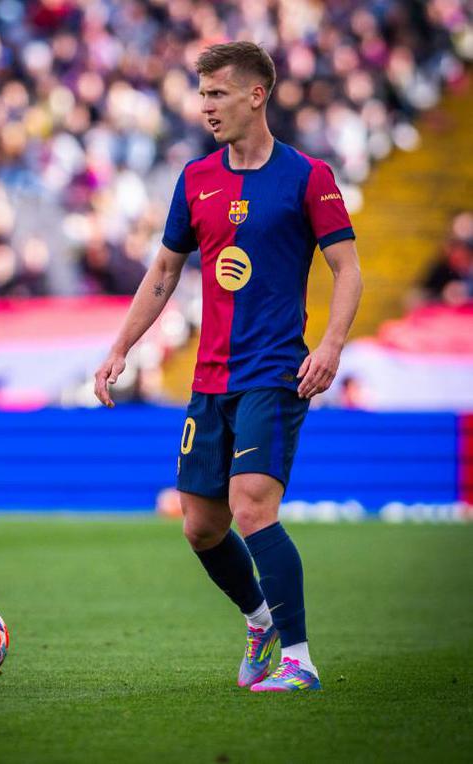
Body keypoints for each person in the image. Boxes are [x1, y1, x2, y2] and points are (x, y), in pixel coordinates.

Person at [94, 41, 362, 693]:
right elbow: (164, 270)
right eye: (203, 94)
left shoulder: (308, 177)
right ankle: (260, 620)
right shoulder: (196, 179)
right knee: (201, 526)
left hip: (274, 372)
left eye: (217, 93)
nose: (206, 106)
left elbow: (348, 269)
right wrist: (121, 346)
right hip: (209, 378)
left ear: (255, 95)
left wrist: (330, 346)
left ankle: (298, 662)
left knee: (251, 507)